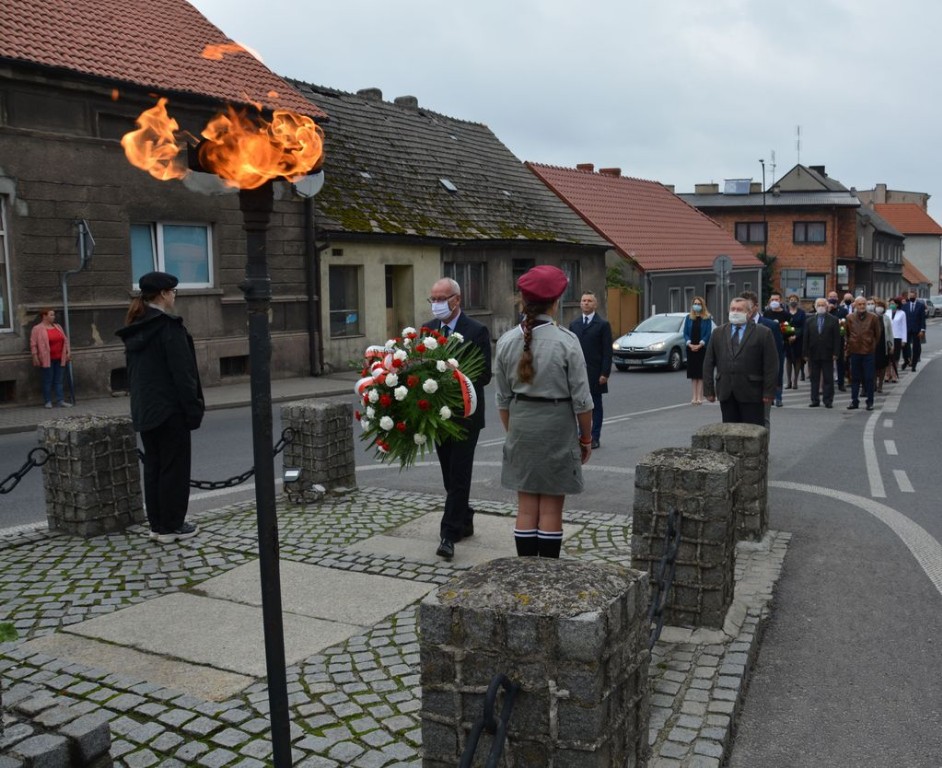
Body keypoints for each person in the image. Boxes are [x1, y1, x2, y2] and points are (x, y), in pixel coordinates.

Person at [494, 265, 593, 558]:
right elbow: (583, 402)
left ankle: (526, 569)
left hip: (521, 423)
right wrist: (585, 438)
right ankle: (547, 573)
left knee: (526, 507)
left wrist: (514, 433)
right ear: (556, 302)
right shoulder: (567, 341)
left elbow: (502, 399)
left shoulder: (506, 341)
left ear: (522, 301)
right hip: (556, 423)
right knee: (551, 507)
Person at [115, 272, 204, 543]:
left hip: (146, 410)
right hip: (170, 410)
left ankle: (158, 525)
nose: (174, 295)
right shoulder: (167, 327)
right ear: (164, 294)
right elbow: (183, 373)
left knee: (154, 467)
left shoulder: (137, 326)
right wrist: (193, 408)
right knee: (174, 469)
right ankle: (173, 525)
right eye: (173, 291)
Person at [425, 277, 492, 561]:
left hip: (465, 416)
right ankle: (464, 517)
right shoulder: (427, 331)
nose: (437, 304)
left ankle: (448, 535)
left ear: (457, 299)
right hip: (437, 416)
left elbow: (485, 374)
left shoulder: (476, 330)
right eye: (433, 300)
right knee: (447, 473)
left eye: (442, 299)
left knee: (459, 473)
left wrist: (455, 381)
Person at [702, 296, 778, 426]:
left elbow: (771, 365)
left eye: (739, 309)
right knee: (730, 432)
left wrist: (769, 392)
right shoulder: (718, 333)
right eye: (733, 309)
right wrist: (708, 390)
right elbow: (708, 362)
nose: (735, 312)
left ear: (748, 313)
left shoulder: (763, 333)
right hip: (726, 392)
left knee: (752, 433)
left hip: (752, 392)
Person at [568, 291, 612, 447]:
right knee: (579, 404)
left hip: (595, 372)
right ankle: (581, 435)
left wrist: (605, 373)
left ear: (595, 304)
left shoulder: (603, 325)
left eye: (589, 301)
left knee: (595, 405)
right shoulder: (574, 324)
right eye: (583, 300)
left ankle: (595, 436)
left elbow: (607, 351)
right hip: (577, 372)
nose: (586, 303)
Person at [802, 297, 841, 408]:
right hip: (813, 353)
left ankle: (828, 400)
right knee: (814, 378)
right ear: (815, 306)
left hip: (828, 353)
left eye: (823, 305)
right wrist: (805, 353)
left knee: (828, 378)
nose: (821, 307)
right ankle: (815, 400)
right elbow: (806, 338)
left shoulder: (833, 320)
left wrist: (836, 353)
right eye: (818, 305)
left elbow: (837, 338)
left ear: (827, 306)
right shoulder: (809, 321)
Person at [30, 308, 73, 409]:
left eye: (54, 315)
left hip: (60, 357)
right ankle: (48, 401)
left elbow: (65, 340)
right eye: (51, 315)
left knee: (59, 380)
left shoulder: (58, 327)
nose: (54, 317)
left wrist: (68, 352)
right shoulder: (37, 329)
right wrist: (35, 356)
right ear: (44, 316)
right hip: (46, 359)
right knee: (47, 380)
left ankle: (60, 400)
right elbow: (33, 344)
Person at [844, 296, 881, 411]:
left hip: (868, 352)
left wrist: (872, 345)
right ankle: (854, 401)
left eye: (864, 304)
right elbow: (847, 333)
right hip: (855, 351)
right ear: (855, 305)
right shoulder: (849, 318)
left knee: (869, 378)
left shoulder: (873, 318)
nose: (862, 306)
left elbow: (877, 334)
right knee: (855, 378)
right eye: (859, 304)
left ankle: (870, 402)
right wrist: (850, 344)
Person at [682, 296, 713, 405]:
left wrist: (700, 344)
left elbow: (708, 334)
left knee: (700, 374)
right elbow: (685, 333)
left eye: (699, 304)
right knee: (693, 374)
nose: (697, 306)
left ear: (702, 305)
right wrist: (689, 344)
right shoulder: (688, 318)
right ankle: (693, 396)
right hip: (690, 348)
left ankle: (699, 397)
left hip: (702, 348)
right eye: (695, 303)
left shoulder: (707, 318)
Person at [761, 292, 788, 406]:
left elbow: (789, 329)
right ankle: (770, 396)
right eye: (772, 300)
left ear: (780, 300)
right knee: (768, 373)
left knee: (778, 372)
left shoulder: (785, 314)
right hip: (767, 343)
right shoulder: (766, 313)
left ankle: (778, 397)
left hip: (780, 343)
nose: (774, 301)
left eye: (776, 299)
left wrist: (783, 330)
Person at [827, 291, 849, 391]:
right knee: (827, 363)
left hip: (839, 339)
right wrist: (828, 309)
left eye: (834, 297)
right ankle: (828, 383)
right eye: (831, 297)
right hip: (827, 340)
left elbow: (846, 325)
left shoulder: (843, 310)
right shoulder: (825, 309)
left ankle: (841, 383)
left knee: (840, 362)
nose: (833, 298)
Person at [784, 294, 807, 388]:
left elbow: (803, 326)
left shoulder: (801, 313)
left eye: (795, 299)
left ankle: (795, 381)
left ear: (797, 301)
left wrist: (796, 336)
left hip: (798, 339)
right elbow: (783, 325)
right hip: (787, 339)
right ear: (788, 301)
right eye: (791, 299)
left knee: (798, 359)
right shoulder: (785, 312)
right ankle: (788, 381)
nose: (793, 301)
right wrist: (788, 336)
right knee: (788, 359)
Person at [901, 289, 927, 372]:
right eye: (910, 296)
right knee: (905, 346)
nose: (911, 297)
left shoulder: (920, 306)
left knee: (916, 347)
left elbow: (923, 319)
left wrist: (922, 330)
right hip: (907, 329)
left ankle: (914, 364)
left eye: (913, 296)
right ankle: (906, 360)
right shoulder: (905, 306)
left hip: (917, 330)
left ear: (916, 296)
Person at [873, 298, 893, 393]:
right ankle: (874, 384)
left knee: (883, 365)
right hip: (874, 345)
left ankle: (880, 384)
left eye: (881, 306)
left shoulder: (886, 318)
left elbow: (890, 332)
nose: (879, 308)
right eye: (877, 306)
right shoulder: (872, 317)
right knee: (873, 365)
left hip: (883, 345)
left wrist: (891, 345)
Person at [887, 296, 907, 382]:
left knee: (895, 358)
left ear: (897, 304)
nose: (891, 305)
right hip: (888, 338)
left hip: (897, 337)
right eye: (890, 303)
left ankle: (895, 375)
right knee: (888, 358)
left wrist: (904, 339)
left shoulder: (902, 313)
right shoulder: (886, 312)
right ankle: (888, 374)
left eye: (893, 303)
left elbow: (904, 327)